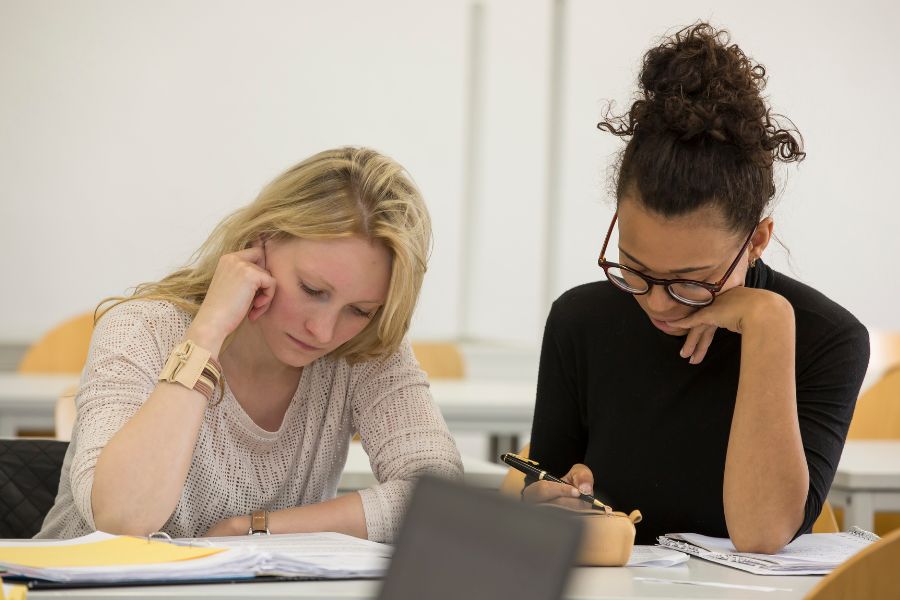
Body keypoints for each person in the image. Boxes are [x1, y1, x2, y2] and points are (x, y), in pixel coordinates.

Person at [524, 23, 869, 554]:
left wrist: (768, 321)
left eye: (692, 282)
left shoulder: (828, 338)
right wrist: (548, 501)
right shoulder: (581, 320)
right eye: (633, 269)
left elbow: (761, 533)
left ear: (757, 240)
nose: (658, 301)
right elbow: (541, 488)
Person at [37, 147, 463, 542]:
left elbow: (438, 500)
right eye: (312, 289)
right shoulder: (141, 330)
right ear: (260, 241)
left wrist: (255, 529)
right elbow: (123, 520)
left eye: (360, 310)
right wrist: (207, 334)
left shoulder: (364, 350)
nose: (323, 331)